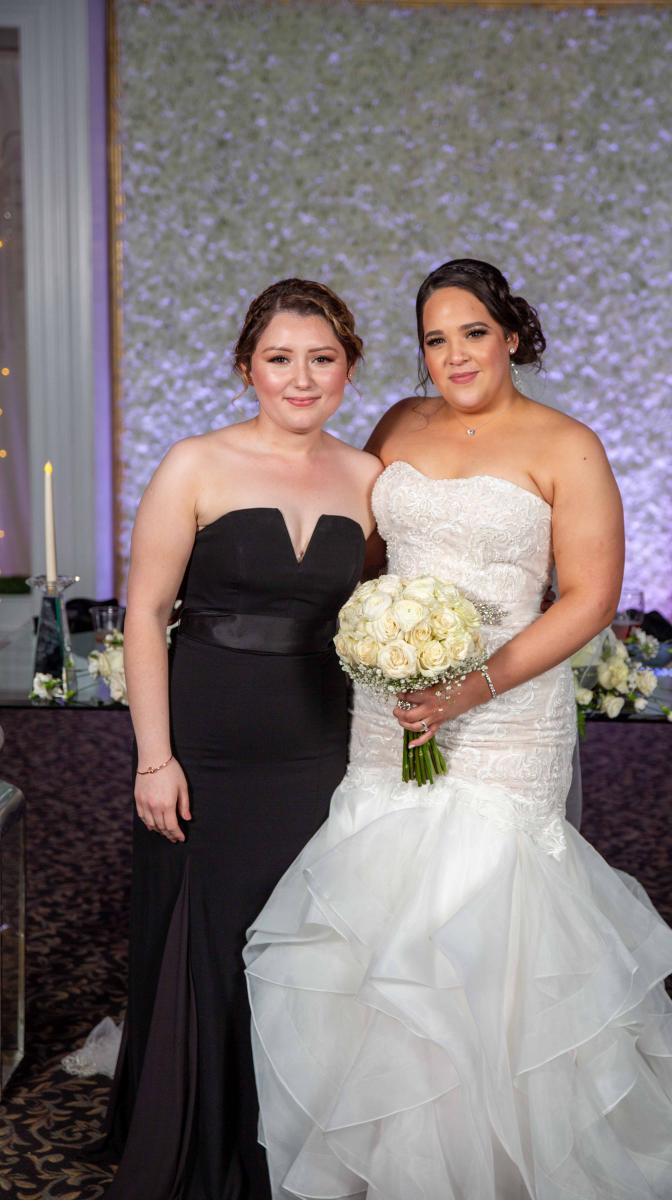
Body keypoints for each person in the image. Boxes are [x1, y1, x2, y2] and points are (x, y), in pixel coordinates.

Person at [244, 259, 672, 1198]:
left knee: (485, 927)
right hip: (390, 713)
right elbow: (361, 558)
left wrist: (473, 687)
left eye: (472, 332)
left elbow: (590, 599)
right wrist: (367, 641)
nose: (454, 355)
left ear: (510, 335)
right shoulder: (398, 425)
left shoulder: (567, 444)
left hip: (508, 719)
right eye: (435, 339)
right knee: (382, 917)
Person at [105, 279, 381, 1200]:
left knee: (303, 938)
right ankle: (202, 1141)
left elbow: (377, 618)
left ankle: (287, 1144)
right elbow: (146, 614)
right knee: (210, 936)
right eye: (279, 358)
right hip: (207, 742)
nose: (301, 378)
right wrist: (155, 758)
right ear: (245, 368)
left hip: (320, 743)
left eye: (322, 358)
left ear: (348, 369)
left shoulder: (369, 478)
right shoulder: (195, 464)